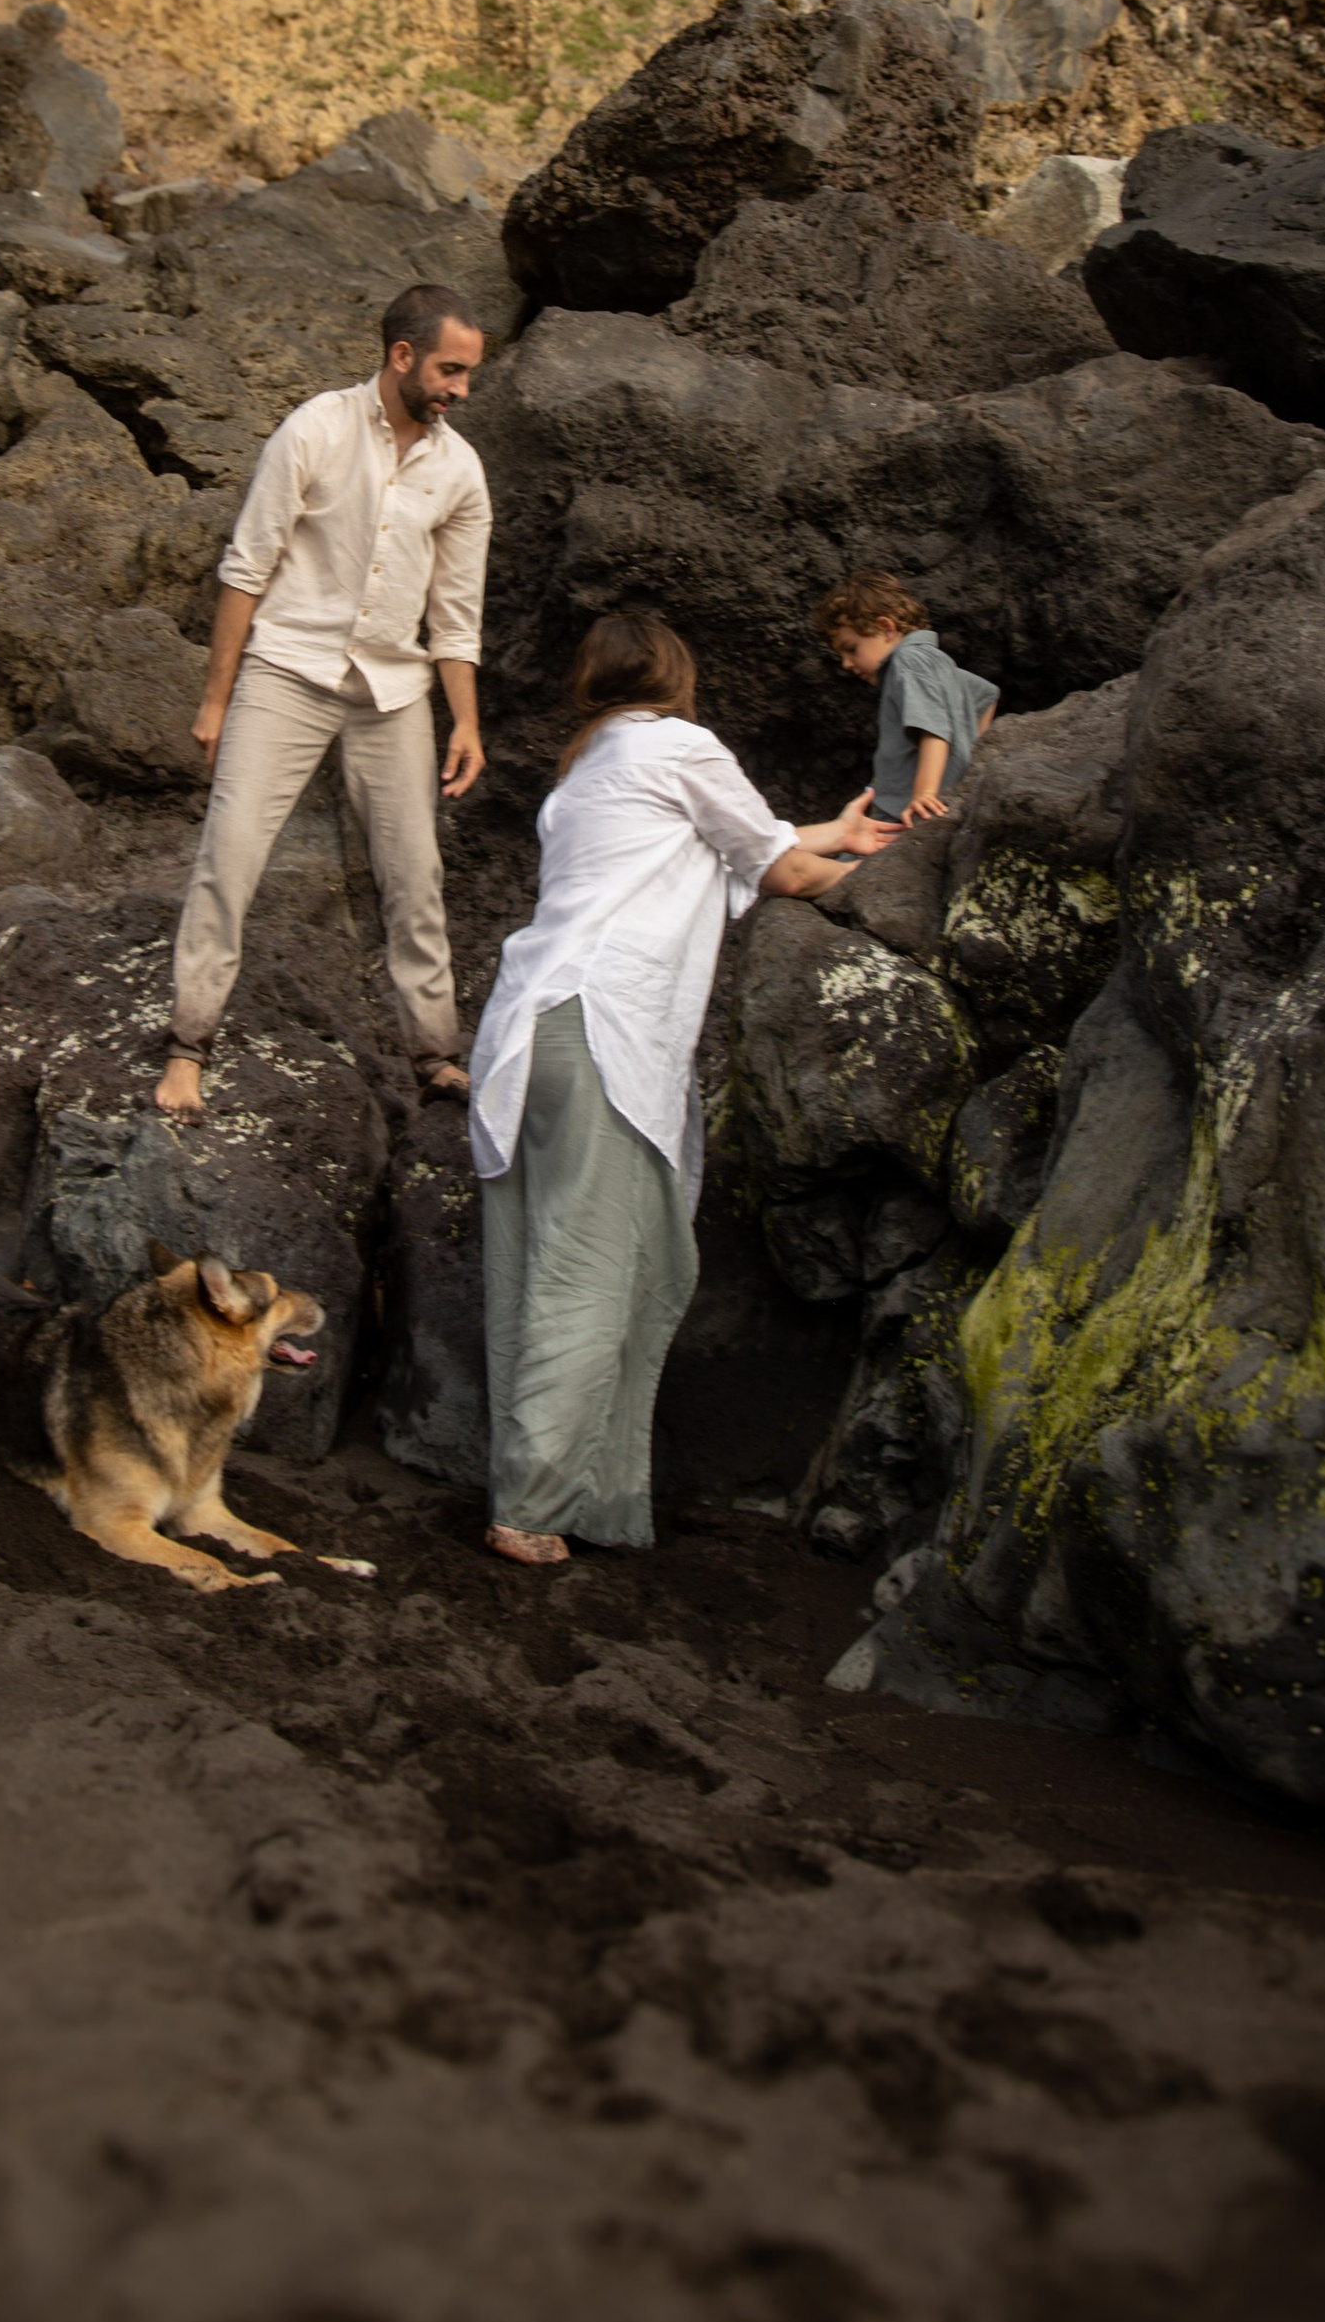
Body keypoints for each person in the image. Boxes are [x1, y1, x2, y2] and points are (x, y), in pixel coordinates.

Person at [467, 607, 894, 1570]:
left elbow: (723, 844)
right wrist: (891, 864)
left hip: (528, 1029)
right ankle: (529, 1505)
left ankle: (577, 1496)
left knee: (543, 1266)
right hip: (601, 1026)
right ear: (676, 677)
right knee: (593, 1268)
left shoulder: (583, 771)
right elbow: (776, 866)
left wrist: (841, 830)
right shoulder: (682, 745)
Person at [154, 283, 491, 1124]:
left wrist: (468, 723)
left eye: (470, 374)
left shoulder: (460, 469)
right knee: (229, 855)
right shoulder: (315, 427)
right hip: (285, 670)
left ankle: (435, 1055)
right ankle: (187, 1047)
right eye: (450, 369)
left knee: (415, 876)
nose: (460, 390)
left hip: (394, 692)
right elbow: (246, 565)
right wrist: (216, 699)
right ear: (402, 355)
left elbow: (456, 614)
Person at [814, 572, 998, 831]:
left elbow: (932, 729)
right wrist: (968, 766)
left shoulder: (909, 661)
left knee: (852, 866)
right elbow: (985, 694)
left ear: (885, 627)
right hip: (915, 802)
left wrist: (924, 795)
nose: (846, 664)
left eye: (851, 648)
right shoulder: (933, 661)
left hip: (902, 811)